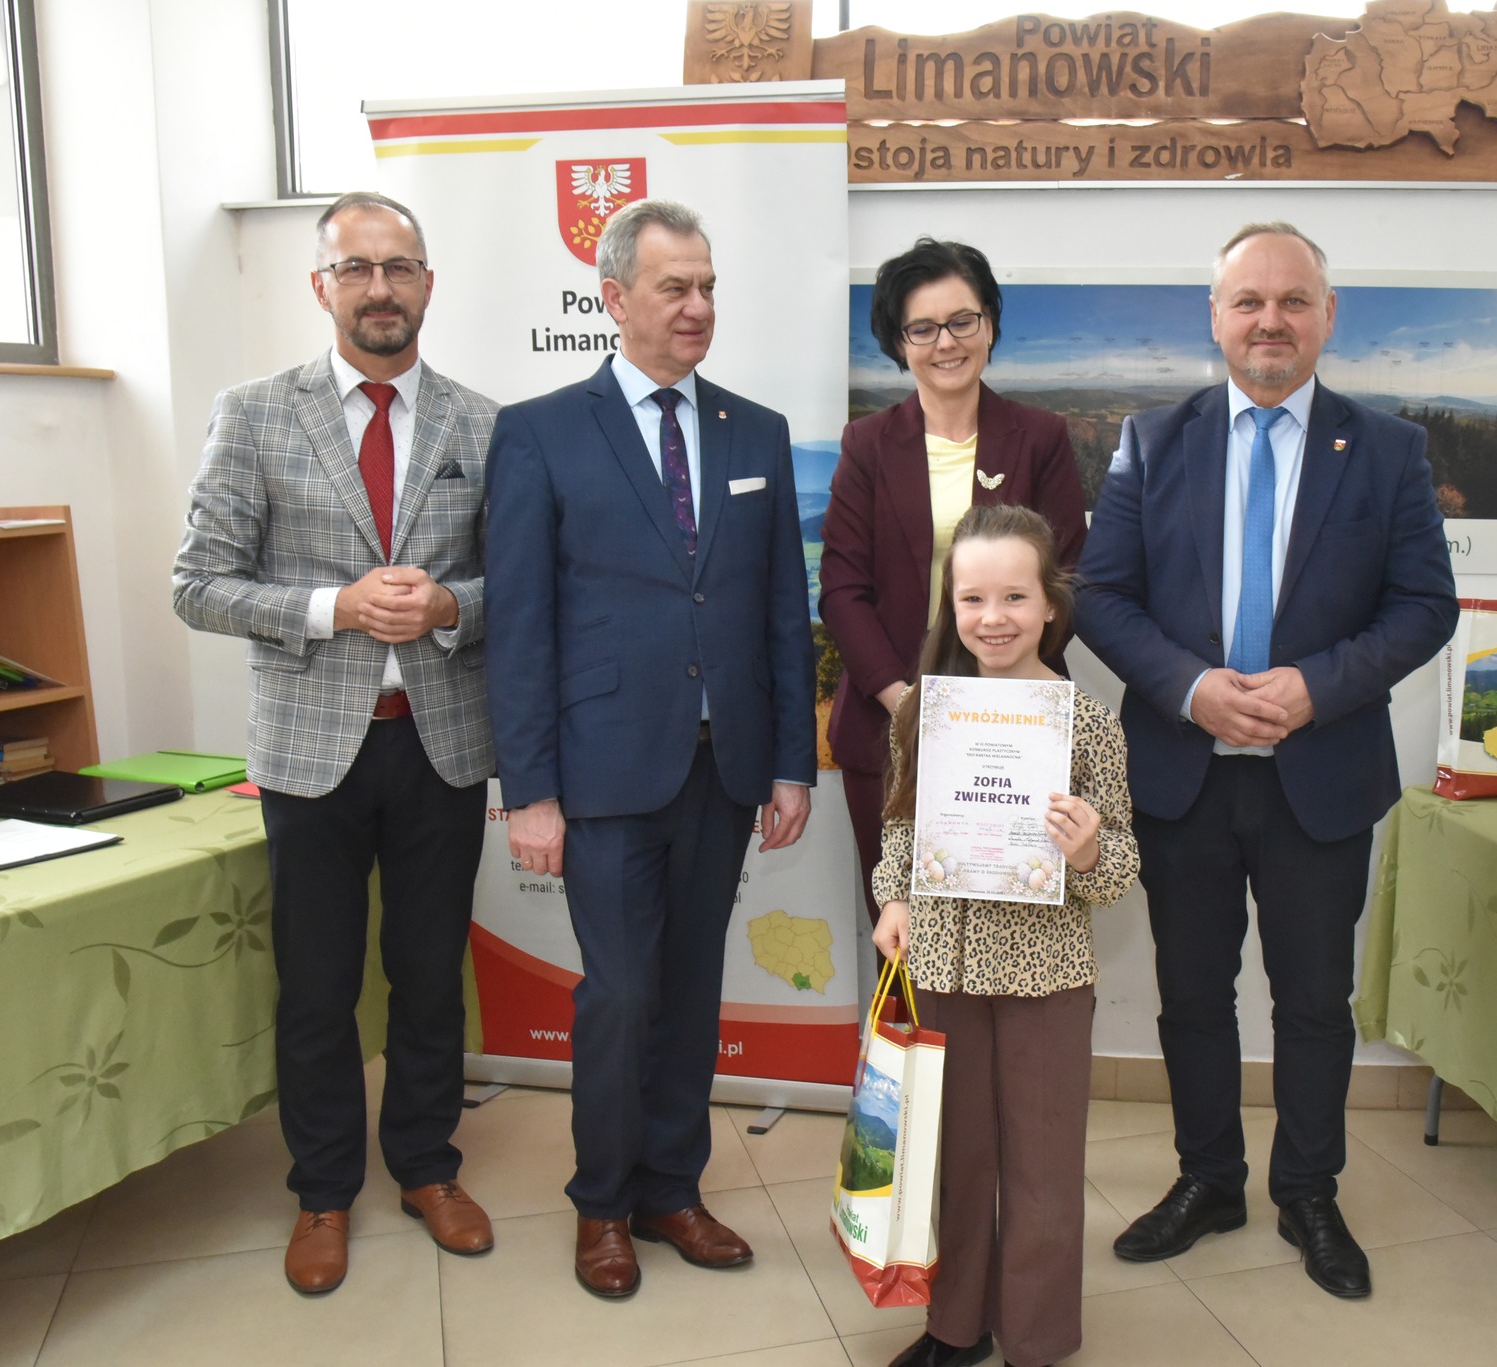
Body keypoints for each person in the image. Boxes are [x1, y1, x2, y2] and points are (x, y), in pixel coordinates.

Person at [1074, 222, 1459, 1299]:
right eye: (1248, 301)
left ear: (1327, 316)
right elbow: (1100, 593)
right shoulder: (1154, 440)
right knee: (1192, 994)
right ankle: (1209, 1179)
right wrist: (1193, 688)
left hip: (1318, 775)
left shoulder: (1386, 450)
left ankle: (1308, 1192)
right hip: (1183, 774)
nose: (1270, 320)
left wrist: (1316, 686)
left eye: (1292, 300)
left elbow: (1424, 605)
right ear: (1216, 318)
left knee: (1313, 1001)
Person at [483, 198, 817, 1299]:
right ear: (614, 298)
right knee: (621, 996)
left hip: (723, 769)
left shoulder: (754, 431)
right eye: (674, 287)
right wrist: (529, 790)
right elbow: (520, 624)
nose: (697, 306)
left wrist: (790, 761)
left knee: (689, 991)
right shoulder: (539, 431)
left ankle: (673, 1188)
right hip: (603, 773)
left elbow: (781, 609)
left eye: (708, 285)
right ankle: (602, 1204)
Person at [173, 191, 500, 1294]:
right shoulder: (254, 413)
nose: (379, 288)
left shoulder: (483, 424)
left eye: (398, 266)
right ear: (321, 286)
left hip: (440, 747)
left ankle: (426, 1166)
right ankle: (321, 1189)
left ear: (427, 283)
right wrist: (333, 608)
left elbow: (522, 585)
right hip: (311, 751)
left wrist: (447, 605)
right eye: (355, 268)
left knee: (429, 974)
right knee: (315, 985)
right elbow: (198, 585)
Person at [871, 504, 1139, 1367]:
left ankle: (1036, 1337)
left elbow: (1121, 864)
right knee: (954, 1160)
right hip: (943, 967)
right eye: (973, 598)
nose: (994, 617)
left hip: (1047, 979)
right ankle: (955, 1326)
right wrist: (894, 897)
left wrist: (1088, 849)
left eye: (1015, 596)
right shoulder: (924, 712)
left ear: (1051, 604)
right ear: (950, 605)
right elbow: (900, 827)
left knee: (1043, 1168)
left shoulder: (1086, 720)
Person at [822, 238, 1086, 927]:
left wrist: (989, 706)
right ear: (898, 342)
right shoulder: (867, 445)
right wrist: (906, 702)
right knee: (904, 933)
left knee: (1011, 932)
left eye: (962, 320)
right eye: (923, 328)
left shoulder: (1040, 438)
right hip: (891, 727)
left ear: (990, 325)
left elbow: (1066, 580)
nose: (946, 342)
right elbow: (842, 588)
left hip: (1017, 730)